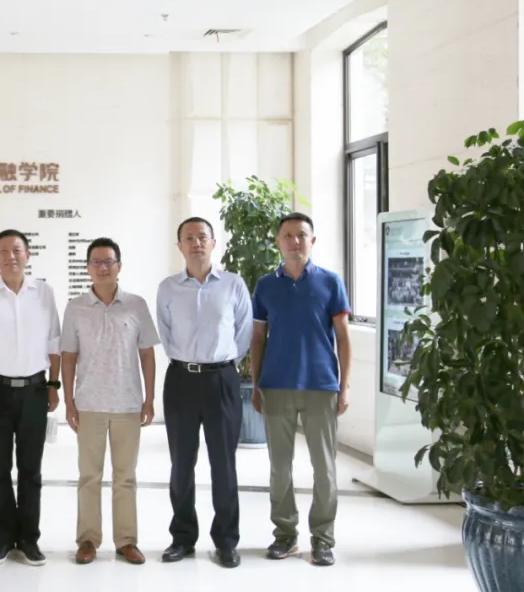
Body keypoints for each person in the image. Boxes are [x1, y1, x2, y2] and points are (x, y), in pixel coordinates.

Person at [250, 212, 351, 567]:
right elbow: (258, 338)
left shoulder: (330, 282)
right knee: (280, 467)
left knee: (324, 468)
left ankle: (323, 539)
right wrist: (257, 384)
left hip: (321, 386)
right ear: (278, 241)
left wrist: (344, 387)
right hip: (276, 386)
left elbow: (343, 338)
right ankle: (285, 535)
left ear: (312, 240)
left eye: (301, 235)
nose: (295, 241)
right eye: (288, 235)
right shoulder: (265, 286)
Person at [155, 217, 252, 569]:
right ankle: (182, 537)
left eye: (202, 237)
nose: (196, 243)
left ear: (213, 243)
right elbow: (166, 334)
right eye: (189, 238)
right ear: (179, 245)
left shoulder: (233, 284)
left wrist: (221, 364)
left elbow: (243, 333)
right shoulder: (168, 288)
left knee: (223, 464)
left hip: (221, 380)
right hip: (181, 380)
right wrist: (189, 363)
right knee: (181, 464)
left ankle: (226, 540)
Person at [61, 237, 158, 566]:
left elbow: (147, 354)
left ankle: (126, 541)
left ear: (119, 266)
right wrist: (69, 402)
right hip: (89, 403)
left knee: (125, 476)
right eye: (96, 262)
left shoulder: (136, 305)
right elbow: (68, 357)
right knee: (89, 475)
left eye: (109, 261)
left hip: (128, 404)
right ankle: (88, 539)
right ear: (88, 268)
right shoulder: (75, 307)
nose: (103, 267)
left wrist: (149, 399)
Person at [0, 229, 60, 567]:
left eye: (17, 250)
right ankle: (3, 539)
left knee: (31, 470)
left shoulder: (44, 293)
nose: (10, 256)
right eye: (3, 251)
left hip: (35, 391)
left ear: (28, 254)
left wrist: (54, 385)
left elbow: (54, 342)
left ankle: (29, 539)